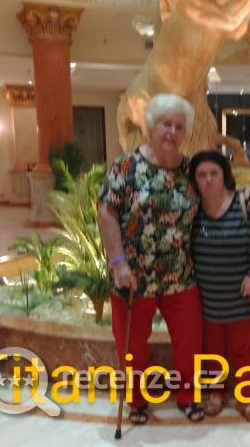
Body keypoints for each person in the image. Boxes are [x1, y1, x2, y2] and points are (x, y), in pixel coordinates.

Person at [97, 94, 205, 424]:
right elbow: (106, 212)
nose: (172, 132)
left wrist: (247, 195)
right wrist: (117, 262)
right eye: (165, 124)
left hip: (180, 274)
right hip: (132, 275)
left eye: (179, 126)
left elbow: (221, 193)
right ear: (150, 127)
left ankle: (188, 396)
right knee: (131, 344)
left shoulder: (191, 170)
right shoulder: (126, 167)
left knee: (189, 341)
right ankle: (137, 401)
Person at [189, 150, 250, 424]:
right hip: (208, 298)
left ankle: (246, 399)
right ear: (195, 180)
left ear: (225, 175)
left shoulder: (245, 203)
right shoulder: (193, 210)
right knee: (213, 352)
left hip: (240, 297)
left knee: (241, 350)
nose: (208, 179)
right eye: (202, 174)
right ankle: (217, 394)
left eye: (214, 173)